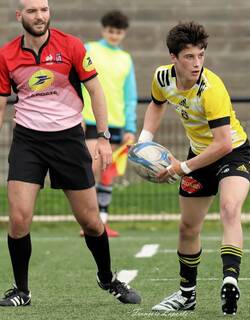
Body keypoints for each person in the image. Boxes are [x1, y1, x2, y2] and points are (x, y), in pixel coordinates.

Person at [0, 0, 141, 307]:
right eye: (32, 11)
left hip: (68, 140)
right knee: (19, 219)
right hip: (28, 142)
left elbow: (96, 91)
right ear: (19, 15)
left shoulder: (71, 46)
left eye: (44, 10)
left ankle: (107, 278)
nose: (40, 16)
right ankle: (21, 291)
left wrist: (103, 137)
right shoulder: (6, 54)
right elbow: (0, 102)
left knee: (90, 221)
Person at [138, 22, 250, 315]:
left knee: (229, 208)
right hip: (199, 156)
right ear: (173, 57)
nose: (197, 63)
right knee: (188, 227)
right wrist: (144, 144)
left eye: (201, 55)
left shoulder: (211, 88)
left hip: (232, 153)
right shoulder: (162, 77)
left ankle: (230, 281)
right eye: (189, 56)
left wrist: (180, 167)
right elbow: (156, 104)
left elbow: (224, 144)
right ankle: (186, 296)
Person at [81, 10, 137, 237]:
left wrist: (130, 128)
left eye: (119, 32)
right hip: (90, 119)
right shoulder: (89, 49)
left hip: (115, 123)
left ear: (124, 33)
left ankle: (102, 220)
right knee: (91, 168)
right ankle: (88, 221)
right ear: (104, 29)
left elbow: (130, 96)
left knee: (107, 172)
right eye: (111, 31)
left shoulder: (126, 59)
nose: (114, 35)